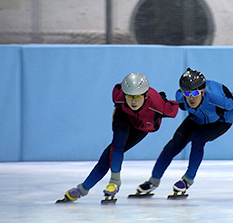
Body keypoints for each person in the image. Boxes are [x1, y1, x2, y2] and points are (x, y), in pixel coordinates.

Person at [59, 72, 179, 202]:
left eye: (137, 97)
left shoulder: (159, 105)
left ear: (145, 96)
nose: (133, 101)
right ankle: (109, 183)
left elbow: (177, 106)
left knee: (109, 155)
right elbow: (118, 87)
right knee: (115, 146)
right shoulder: (118, 95)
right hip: (124, 116)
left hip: (142, 126)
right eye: (129, 96)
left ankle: (83, 189)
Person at [136, 68, 233, 195]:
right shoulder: (181, 98)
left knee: (199, 138)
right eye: (187, 94)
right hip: (196, 119)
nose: (191, 98)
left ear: (203, 92)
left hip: (220, 122)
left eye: (195, 93)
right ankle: (153, 181)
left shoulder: (219, 99)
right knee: (173, 145)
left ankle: (187, 180)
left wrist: (230, 101)